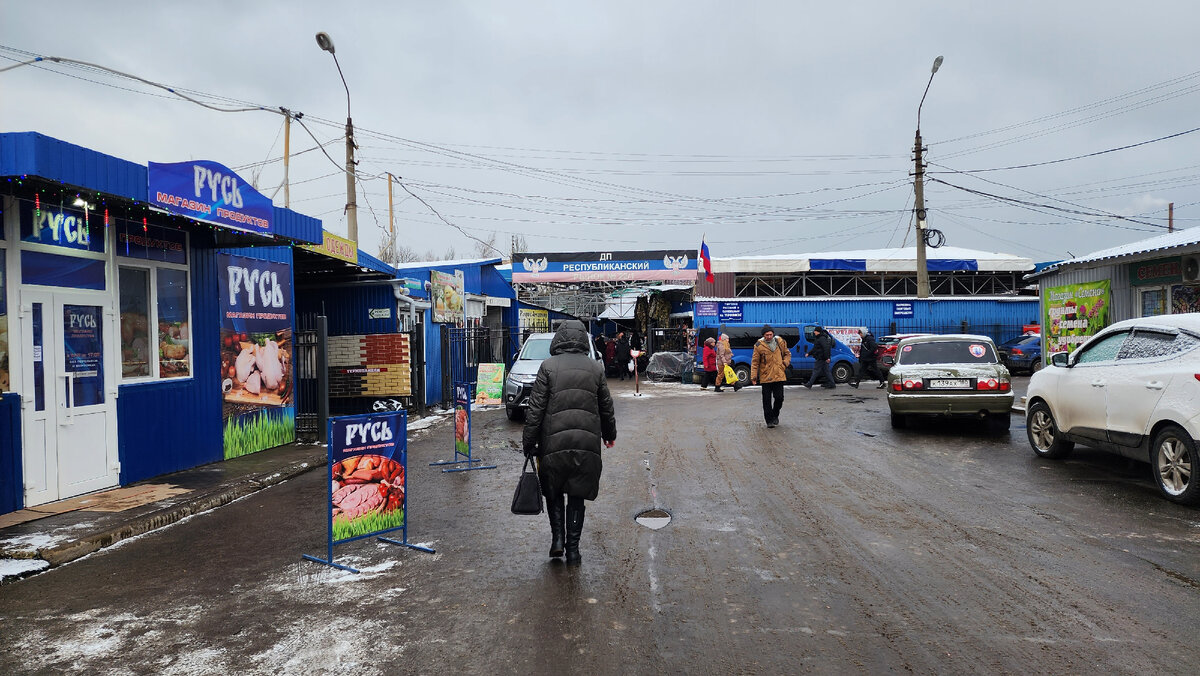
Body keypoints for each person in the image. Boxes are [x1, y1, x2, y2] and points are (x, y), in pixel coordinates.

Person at [523, 320, 617, 565]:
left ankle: (557, 540)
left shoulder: (548, 367)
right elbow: (606, 407)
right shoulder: (595, 368)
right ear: (583, 340)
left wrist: (528, 442)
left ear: (559, 340)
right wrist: (610, 435)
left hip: (552, 444)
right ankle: (573, 550)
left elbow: (535, 409)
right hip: (586, 443)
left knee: (553, 491)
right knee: (577, 494)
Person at [751, 325, 791, 428]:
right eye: (766, 335)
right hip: (765, 376)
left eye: (770, 334)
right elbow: (755, 362)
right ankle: (769, 421)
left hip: (779, 374)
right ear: (763, 335)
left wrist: (784, 364)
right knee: (766, 400)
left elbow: (787, 354)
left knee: (779, 398)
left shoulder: (780, 342)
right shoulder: (759, 345)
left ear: (773, 333)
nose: (769, 336)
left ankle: (775, 414)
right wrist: (754, 376)